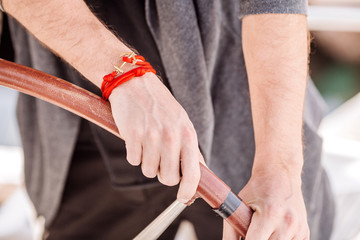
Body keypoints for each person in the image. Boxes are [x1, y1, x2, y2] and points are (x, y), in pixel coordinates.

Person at [1, 0, 334, 239]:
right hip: (81, 130)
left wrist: (280, 170)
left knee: (280, 220)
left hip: (246, 118)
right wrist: (123, 74)